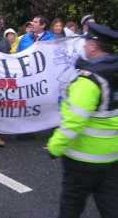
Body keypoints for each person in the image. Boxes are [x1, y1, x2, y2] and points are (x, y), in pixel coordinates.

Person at [47, 22, 118, 218]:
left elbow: (74, 122)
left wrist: (55, 147)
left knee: (71, 204)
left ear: (94, 46)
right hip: (112, 155)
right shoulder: (114, 71)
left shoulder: (89, 80)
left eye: (86, 42)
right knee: (110, 204)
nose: (84, 46)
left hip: (84, 157)